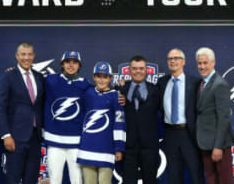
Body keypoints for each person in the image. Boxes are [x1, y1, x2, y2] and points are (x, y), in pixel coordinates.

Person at [0, 42, 45, 184]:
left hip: (35, 137)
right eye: (23, 54)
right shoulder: (8, 76)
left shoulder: (39, 77)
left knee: (31, 178)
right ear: (17, 56)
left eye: (29, 54)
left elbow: (41, 104)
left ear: (33, 56)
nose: (26, 57)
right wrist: (6, 135)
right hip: (15, 137)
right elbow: (0, 107)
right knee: (13, 178)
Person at [43, 51, 92, 183]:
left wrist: (118, 89)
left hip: (76, 143)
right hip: (54, 142)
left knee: (76, 180)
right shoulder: (51, 80)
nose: (71, 65)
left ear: (79, 65)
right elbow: (29, 83)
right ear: (62, 64)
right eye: (67, 62)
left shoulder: (86, 85)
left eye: (74, 62)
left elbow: (101, 96)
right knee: (55, 179)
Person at [158, 48, 204, 184]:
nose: (173, 61)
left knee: (196, 173)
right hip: (170, 134)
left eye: (176, 58)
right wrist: (125, 85)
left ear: (183, 61)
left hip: (189, 134)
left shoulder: (195, 82)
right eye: (170, 59)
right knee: (173, 174)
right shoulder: (162, 82)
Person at [77, 62, 125, 184]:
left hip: (106, 149)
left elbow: (119, 124)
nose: (102, 80)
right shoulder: (87, 93)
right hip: (87, 148)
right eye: (99, 76)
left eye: (105, 76)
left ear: (110, 78)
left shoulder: (116, 96)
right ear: (93, 77)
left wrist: (119, 147)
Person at [195, 47, 234, 184]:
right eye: (199, 63)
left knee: (225, 181)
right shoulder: (202, 84)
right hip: (205, 144)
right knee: (211, 180)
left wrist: (218, 147)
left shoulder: (220, 84)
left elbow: (224, 118)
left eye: (205, 63)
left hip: (219, 145)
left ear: (213, 63)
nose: (202, 66)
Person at [118, 55, 161, 184]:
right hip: (128, 146)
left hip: (150, 146)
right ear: (129, 70)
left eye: (141, 68)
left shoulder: (156, 90)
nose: (138, 71)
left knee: (150, 181)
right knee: (128, 181)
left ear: (146, 70)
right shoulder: (121, 89)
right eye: (135, 68)